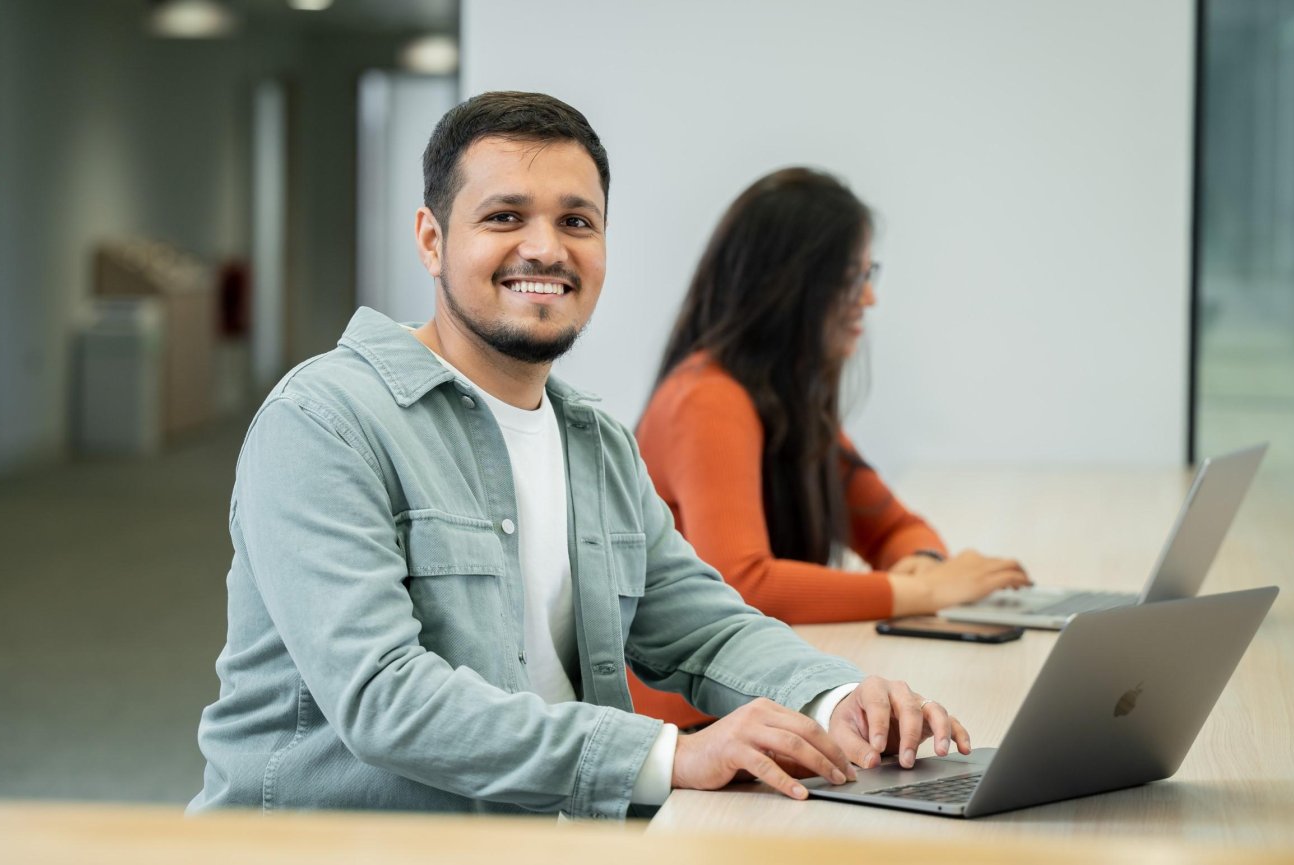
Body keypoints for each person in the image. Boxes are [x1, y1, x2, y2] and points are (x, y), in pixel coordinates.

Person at [189, 93, 970, 821]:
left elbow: (701, 624)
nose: (545, 248)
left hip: (546, 831)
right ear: (432, 239)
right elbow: (385, 698)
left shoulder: (592, 438)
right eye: (503, 216)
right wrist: (670, 753)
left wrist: (837, 699)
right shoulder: (324, 423)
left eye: (576, 221)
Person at [627, 168, 1030, 729]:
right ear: (789, 286)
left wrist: (924, 565)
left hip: (760, 704)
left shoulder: (786, 400)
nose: (867, 297)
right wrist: (922, 592)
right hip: (696, 725)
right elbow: (743, 581)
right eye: (849, 278)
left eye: (869, 274)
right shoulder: (707, 399)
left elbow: (892, 527)